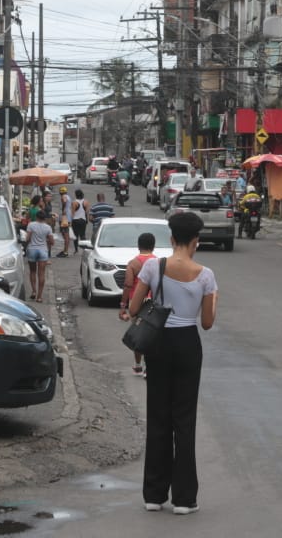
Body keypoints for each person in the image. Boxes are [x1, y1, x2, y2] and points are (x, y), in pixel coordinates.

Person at [129, 212, 217, 515]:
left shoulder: (154, 265)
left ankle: (154, 495)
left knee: (158, 415)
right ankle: (183, 498)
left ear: (171, 239)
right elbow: (206, 322)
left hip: (159, 344)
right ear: (196, 241)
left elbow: (133, 307)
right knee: (184, 419)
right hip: (188, 344)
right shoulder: (206, 275)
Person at [119, 231, 158, 376]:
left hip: (137, 302)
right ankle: (149, 368)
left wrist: (123, 307)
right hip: (153, 303)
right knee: (151, 335)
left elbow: (128, 285)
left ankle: (137, 365)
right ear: (153, 246)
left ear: (138, 245)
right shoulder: (159, 262)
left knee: (138, 334)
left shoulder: (133, 263)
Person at [24, 212, 55, 302]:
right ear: (44, 218)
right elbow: (52, 242)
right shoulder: (48, 227)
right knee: (41, 274)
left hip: (32, 250)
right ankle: (39, 296)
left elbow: (27, 238)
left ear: (36, 217)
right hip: (43, 251)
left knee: (33, 271)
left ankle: (34, 291)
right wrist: (46, 240)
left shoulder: (31, 225)